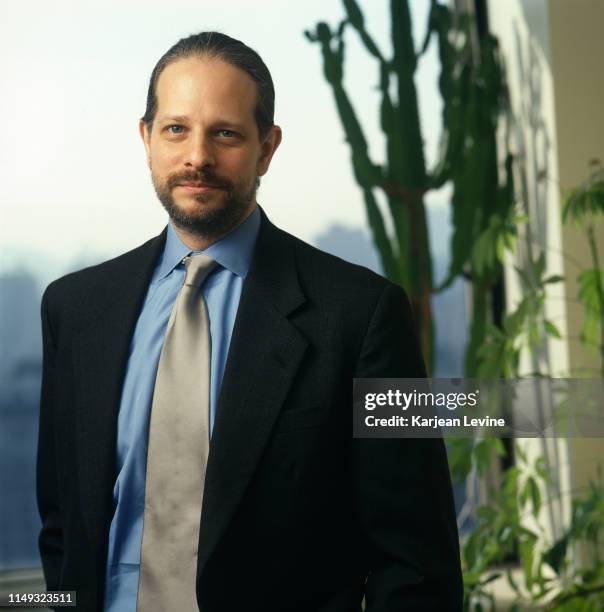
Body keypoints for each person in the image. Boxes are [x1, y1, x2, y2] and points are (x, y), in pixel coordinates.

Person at [36, 31, 463, 612]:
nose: (197, 157)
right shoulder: (73, 309)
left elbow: (418, 562)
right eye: (176, 129)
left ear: (267, 147)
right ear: (147, 139)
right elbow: (62, 524)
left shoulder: (365, 314)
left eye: (226, 133)